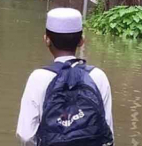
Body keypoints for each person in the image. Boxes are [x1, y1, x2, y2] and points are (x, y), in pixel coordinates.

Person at [16, 8, 114, 146]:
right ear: (81, 41)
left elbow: (26, 136)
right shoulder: (98, 76)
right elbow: (107, 131)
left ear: (47, 40)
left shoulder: (38, 78)